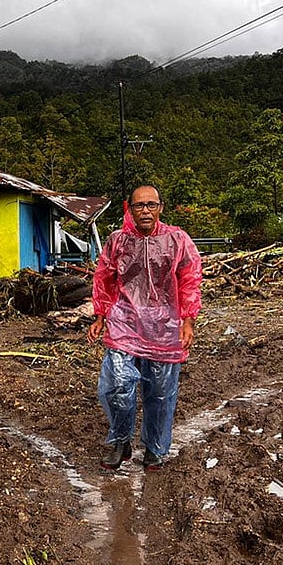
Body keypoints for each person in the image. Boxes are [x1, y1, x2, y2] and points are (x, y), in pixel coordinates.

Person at [87, 185, 203, 472]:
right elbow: (104, 278)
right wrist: (100, 315)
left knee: (160, 391)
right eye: (139, 205)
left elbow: (190, 279)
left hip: (165, 325)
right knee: (116, 385)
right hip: (124, 321)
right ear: (130, 208)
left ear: (161, 207)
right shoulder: (117, 241)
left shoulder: (177, 240)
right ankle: (121, 441)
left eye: (151, 204)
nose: (146, 210)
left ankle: (154, 447)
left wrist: (188, 321)